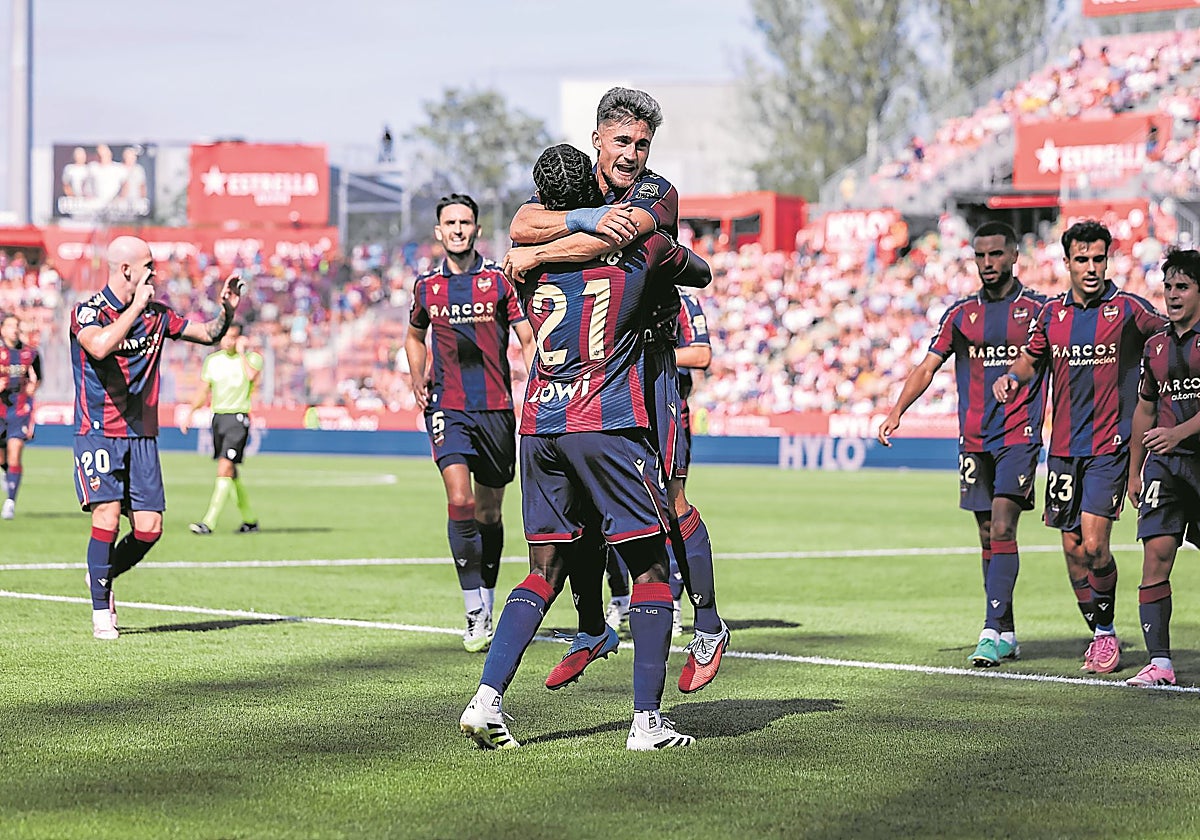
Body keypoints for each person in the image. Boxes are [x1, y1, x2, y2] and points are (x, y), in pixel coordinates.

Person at [459, 143, 711, 751]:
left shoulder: (522, 267)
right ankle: (647, 722)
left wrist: (541, 247)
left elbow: (524, 233)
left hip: (539, 424)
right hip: (603, 420)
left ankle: (487, 699)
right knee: (650, 568)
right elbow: (699, 271)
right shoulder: (641, 249)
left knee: (543, 570)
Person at [505, 86, 731, 695]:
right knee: (582, 507)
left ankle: (709, 625)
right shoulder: (576, 189)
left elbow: (611, 241)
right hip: (595, 368)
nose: (632, 154)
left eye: (642, 144)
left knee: (669, 502)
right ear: (598, 140)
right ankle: (591, 628)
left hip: (650, 364)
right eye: (622, 141)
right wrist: (556, 232)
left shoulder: (657, 192)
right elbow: (520, 223)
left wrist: (536, 257)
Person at [995, 220, 1166, 674]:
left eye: (1098, 259)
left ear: (1107, 261)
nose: (1091, 268)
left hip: (1109, 447)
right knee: (1072, 551)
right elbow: (1030, 359)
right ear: (1067, 262)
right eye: (1082, 259)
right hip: (1063, 451)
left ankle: (1106, 634)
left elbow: (1174, 333)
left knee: (1093, 545)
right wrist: (1012, 377)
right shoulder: (1052, 315)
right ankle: (1100, 633)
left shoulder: (1128, 309)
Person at [878, 223, 1048, 667]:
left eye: (996, 254)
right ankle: (1006, 631)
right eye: (981, 256)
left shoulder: (1039, 311)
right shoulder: (960, 314)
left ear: (1014, 256)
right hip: (973, 439)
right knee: (987, 535)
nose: (988, 263)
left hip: (1019, 435)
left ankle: (990, 630)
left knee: (1004, 526)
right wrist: (897, 410)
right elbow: (927, 367)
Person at [71, 235, 243, 640]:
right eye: (148, 265)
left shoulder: (157, 315)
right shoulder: (88, 312)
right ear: (126, 269)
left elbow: (208, 334)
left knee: (149, 528)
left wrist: (227, 311)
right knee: (107, 515)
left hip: (142, 434)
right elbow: (99, 347)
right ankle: (101, 612)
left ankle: (100, 574)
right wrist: (134, 308)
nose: (155, 272)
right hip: (98, 432)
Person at [405, 194, 535, 653]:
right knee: (460, 499)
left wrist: (538, 379)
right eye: (450, 223)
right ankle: (473, 608)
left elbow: (525, 336)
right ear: (439, 232)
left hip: (496, 409)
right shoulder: (426, 287)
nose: (458, 229)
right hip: (448, 406)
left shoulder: (498, 282)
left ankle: (489, 597)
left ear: (477, 230)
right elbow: (414, 336)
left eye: (465, 222)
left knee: (490, 513)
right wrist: (417, 375)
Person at [1125, 249, 1200, 687]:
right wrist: (1135, 470)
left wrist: (1179, 433)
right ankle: (1160, 663)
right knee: (1155, 555)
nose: (1172, 295)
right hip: (1165, 467)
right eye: (1168, 286)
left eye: (1183, 287)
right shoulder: (1155, 346)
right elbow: (1144, 409)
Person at [180, 322, 263, 535]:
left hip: (237, 418)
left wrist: (242, 352)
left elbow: (252, 376)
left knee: (224, 467)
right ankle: (250, 520)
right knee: (230, 472)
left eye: (233, 337)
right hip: (218, 418)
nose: (228, 341)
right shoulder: (213, 361)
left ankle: (209, 523)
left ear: (240, 338)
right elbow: (203, 390)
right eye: (225, 336)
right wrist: (190, 412)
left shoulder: (252, 359)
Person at [0, 313, 41, 519]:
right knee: (3, 457)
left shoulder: (30, 353)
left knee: (15, 452)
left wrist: (34, 386)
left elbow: (38, 377)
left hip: (19, 411)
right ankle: (7, 475)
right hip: (0, 410)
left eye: (17, 326)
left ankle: (10, 502)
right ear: (2, 329)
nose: (14, 330)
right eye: (10, 326)